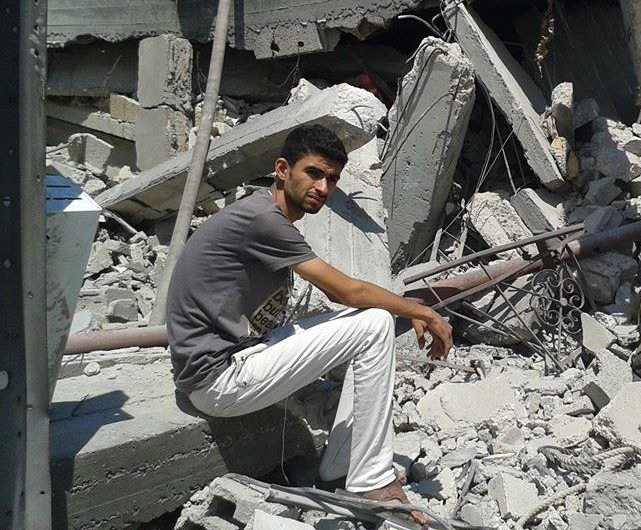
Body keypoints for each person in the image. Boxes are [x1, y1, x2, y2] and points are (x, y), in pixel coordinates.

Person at [165, 124, 452, 519]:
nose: (323, 186)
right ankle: (372, 480)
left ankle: (338, 463)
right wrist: (421, 309)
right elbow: (347, 291)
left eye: (332, 179)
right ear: (283, 169)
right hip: (218, 380)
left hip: (229, 360)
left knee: (365, 321)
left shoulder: (262, 214)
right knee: (374, 324)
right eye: (313, 173)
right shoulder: (262, 221)